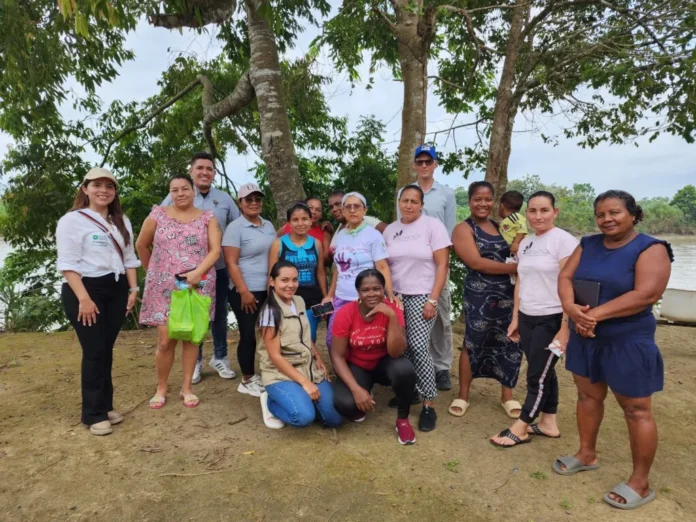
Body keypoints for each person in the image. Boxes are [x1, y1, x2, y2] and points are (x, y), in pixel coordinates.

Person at [553, 190, 672, 511]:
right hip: (585, 336)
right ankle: (586, 454)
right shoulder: (588, 244)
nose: (607, 219)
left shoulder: (650, 248)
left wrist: (591, 315)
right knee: (587, 397)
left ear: (633, 214)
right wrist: (570, 308)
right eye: (601, 214)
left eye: (615, 212)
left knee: (636, 408)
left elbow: (646, 294)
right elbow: (565, 276)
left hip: (627, 340)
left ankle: (640, 482)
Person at [490, 191, 578, 447]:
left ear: (555, 212)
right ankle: (549, 422)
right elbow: (521, 281)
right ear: (525, 214)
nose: (538, 216)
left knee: (536, 376)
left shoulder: (564, 241)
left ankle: (522, 426)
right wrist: (516, 317)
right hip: (528, 316)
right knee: (545, 373)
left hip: (551, 318)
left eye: (544, 210)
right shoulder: (527, 242)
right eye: (532, 211)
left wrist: (565, 327)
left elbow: (570, 284)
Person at [57, 167, 141, 436]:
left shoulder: (121, 220)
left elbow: (129, 258)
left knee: (106, 349)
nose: (103, 190)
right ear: (85, 189)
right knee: (93, 351)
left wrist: (133, 288)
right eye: (97, 185)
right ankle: (92, 414)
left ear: (115, 192)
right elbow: (68, 264)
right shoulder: (72, 220)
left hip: (116, 288)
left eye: (109, 186)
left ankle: (104, 406)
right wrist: (83, 298)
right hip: (85, 288)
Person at [137, 174, 221, 409]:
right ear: (170, 193)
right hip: (164, 287)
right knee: (165, 341)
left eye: (185, 188)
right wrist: (153, 271)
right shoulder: (158, 215)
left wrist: (197, 273)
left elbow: (215, 251)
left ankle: (187, 387)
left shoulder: (208, 218)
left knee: (191, 338)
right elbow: (141, 245)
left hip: (198, 285)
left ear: (193, 191)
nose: (180, 193)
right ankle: (161, 387)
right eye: (175, 190)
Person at [161, 152, 240, 384]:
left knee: (218, 314)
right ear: (192, 171)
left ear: (214, 173)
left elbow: (236, 229)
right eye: (200, 168)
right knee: (191, 315)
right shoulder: (176, 196)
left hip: (219, 266)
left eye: (209, 169)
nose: (205, 172)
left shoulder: (224, 199)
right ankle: (195, 361)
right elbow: (160, 227)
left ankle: (220, 357)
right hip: (185, 271)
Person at [448, 181, 521, 419]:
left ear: (494, 202)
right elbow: (475, 262)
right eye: (477, 199)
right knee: (473, 341)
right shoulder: (463, 229)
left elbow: (517, 247)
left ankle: (507, 396)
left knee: (510, 341)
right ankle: (463, 394)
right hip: (479, 295)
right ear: (469, 201)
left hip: (509, 296)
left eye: (488, 199)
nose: (483, 204)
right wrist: (515, 268)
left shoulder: (502, 226)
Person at [384, 185, 451, 432]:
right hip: (397, 296)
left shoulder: (433, 226)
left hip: (423, 294)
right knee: (402, 347)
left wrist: (433, 299)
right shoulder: (391, 230)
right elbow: (385, 266)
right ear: (399, 202)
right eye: (405, 200)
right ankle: (410, 391)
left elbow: (442, 265)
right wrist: (388, 296)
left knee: (419, 345)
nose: (409, 205)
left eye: (414, 201)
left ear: (422, 204)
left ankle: (428, 404)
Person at [331, 269, 418, 445]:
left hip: (384, 363)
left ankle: (402, 420)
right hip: (357, 365)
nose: (371, 294)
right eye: (365, 290)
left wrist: (391, 316)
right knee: (344, 405)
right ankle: (363, 393)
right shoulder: (346, 313)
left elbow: (396, 352)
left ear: (383, 289)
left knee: (405, 370)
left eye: (376, 289)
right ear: (358, 293)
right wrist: (356, 390)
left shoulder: (393, 309)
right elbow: (337, 355)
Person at [397, 145, 457, 392]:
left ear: (435, 164)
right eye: (419, 161)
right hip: (410, 265)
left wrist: (442, 262)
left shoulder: (446, 193)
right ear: (413, 164)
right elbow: (400, 226)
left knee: (440, 314)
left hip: (436, 264)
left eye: (428, 161)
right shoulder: (404, 192)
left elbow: (449, 229)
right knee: (410, 321)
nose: (423, 166)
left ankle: (441, 366)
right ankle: (413, 370)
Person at [257, 261, 342, 429]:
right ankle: (270, 402)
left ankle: (300, 397)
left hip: (307, 367)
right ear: (272, 281)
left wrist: (318, 357)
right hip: (280, 373)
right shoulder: (270, 312)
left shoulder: (299, 301)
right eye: (284, 280)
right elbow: (274, 356)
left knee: (335, 419)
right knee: (303, 417)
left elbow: (304, 335)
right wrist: (305, 383)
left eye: (294, 280)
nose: (290, 285)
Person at [323, 192, 397, 351]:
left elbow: (382, 267)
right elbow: (338, 268)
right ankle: (343, 374)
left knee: (362, 342)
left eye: (357, 206)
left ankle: (361, 373)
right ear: (343, 211)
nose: (352, 210)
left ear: (365, 210)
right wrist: (330, 295)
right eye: (348, 207)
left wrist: (389, 293)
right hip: (341, 298)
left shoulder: (374, 236)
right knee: (333, 341)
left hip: (365, 299)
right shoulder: (341, 235)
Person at [222, 183, 277, 397]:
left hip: (268, 288)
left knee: (269, 331)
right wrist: (243, 291)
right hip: (245, 290)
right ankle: (247, 378)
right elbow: (231, 263)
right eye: (249, 199)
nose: (254, 203)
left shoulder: (268, 225)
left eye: (257, 199)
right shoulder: (235, 228)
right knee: (248, 334)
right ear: (240, 203)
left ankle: (268, 372)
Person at [268, 202, 327, 343]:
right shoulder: (279, 243)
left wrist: (325, 297)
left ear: (311, 221)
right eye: (295, 220)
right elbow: (271, 275)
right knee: (289, 337)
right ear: (289, 222)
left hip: (312, 299)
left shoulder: (316, 243)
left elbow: (320, 272)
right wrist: (271, 300)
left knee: (310, 336)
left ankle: (309, 363)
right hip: (287, 298)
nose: (300, 223)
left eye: (305, 219)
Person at [327, 190, 386, 259]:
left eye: (338, 204)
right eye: (331, 207)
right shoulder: (340, 230)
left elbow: (391, 233)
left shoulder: (366, 220)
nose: (334, 209)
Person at [498, 190, 528, 256]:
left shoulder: (514, 217)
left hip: (520, 250)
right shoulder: (506, 220)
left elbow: (522, 228)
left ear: (501, 206)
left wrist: (516, 243)